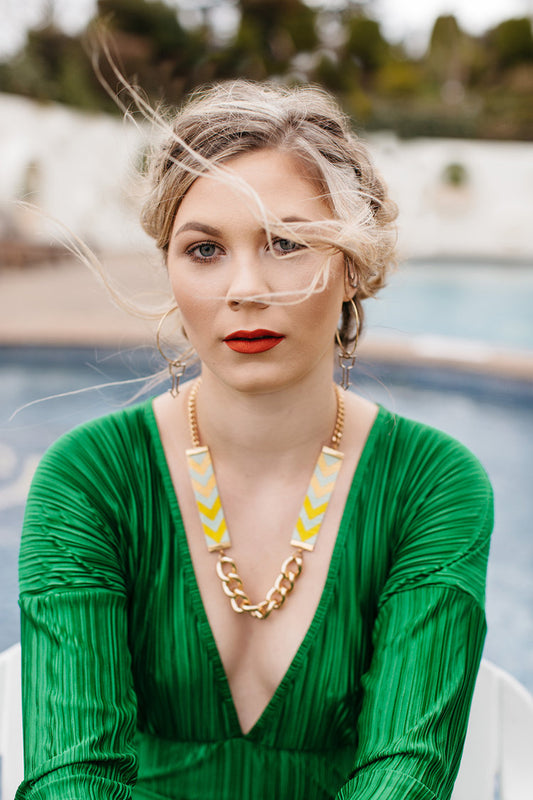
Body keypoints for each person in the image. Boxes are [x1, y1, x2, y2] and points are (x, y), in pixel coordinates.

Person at [17, 80, 493, 800]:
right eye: (204, 249)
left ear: (353, 264)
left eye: (285, 242)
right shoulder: (89, 479)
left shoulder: (431, 485)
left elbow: (406, 774)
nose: (244, 287)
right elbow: (71, 778)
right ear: (170, 266)